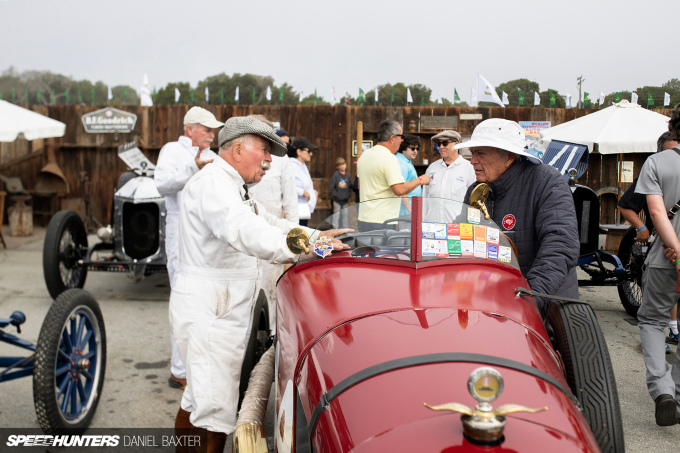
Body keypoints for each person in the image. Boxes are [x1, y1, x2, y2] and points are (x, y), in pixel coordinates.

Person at [170, 116, 350, 450]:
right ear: (238, 150)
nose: (269, 159)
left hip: (217, 308)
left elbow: (268, 222)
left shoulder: (231, 186)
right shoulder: (213, 184)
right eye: (265, 150)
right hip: (211, 312)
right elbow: (246, 231)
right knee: (215, 415)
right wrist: (306, 248)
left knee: (199, 401)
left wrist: (317, 237)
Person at [458, 118, 580, 317]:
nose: (472, 161)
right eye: (472, 153)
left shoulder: (547, 181)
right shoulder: (476, 190)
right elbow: (461, 235)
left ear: (508, 156)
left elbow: (560, 245)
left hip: (548, 307)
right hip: (494, 302)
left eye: (480, 153)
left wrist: (530, 297)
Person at [154, 106, 223, 390]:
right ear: (190, 129)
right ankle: (179, 370)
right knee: (182, 298)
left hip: (207, 233)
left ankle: (197, 365)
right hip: (180, 230)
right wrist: (192, 169)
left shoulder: (212, 155)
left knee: (204, 299)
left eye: (213, 131)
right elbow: (161, 185)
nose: (212, 135)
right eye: (207, 130)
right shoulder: (171, 150)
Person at [634, 104, 680, 426]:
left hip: (665, 260)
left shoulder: (656, 162)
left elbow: (656, 212)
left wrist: (676, 249)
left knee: (652, 321)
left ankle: (663, 390)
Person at [618, 132, 680, 352]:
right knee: (658, 296)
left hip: (673, 247)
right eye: (670, 151)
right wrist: (641, 228)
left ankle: (673, 329)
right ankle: (666, 333)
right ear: (659, 152)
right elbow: (625, 205)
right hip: (660, 245)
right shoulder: (653, 169)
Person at [356, 120, 430, 231]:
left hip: (363, 219)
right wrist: (421, 179)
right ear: (392, 138)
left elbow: (360, 186)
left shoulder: (365, 155)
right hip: (383, 221)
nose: (402, 140)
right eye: (401, 136)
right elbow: (399, 190)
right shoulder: (389, 158)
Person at [423, 130, 476, 203]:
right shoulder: (432, 168)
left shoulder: (469, 168)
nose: (441, 147)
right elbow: (425, 197)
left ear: (456, 145)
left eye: (445, 143)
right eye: (439, 144)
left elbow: (473, 199)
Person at [288, 137, 318, 226]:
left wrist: (313, 192)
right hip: (297, 209)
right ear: (299, 151)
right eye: (308, 151)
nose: (311, 154)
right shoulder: (292, 165)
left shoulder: (302, 165)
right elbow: (288, 186)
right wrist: (303, 192)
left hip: (304, 208)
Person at [396, 134, 422, 217]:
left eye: (417, 149)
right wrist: (411, 210)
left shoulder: (406, 161)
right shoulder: (402, 163)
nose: (415, 151)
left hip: (408, 210)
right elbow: (401, 189)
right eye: (412, 148)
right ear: (403, 149)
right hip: (405, 212)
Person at [330, 157, 353, 228]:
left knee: (345, 215)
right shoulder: (335, 175)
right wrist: (336, 195)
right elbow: (332, 187)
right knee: (336, 216)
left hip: (345, 200)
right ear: (337, 167)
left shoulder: (348, 176)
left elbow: (350, 187)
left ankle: (345, 230)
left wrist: (348, 195)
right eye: (340, 165)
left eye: (343, 164)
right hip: (337, 200)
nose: (342, 166)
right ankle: (335, 230)